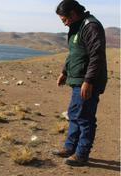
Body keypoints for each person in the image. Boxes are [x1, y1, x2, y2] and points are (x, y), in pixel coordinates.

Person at [53, 0, 108, 166]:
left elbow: (96, 56)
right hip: (77, 79)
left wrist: (88, 81)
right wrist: (64, 72)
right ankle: (70, 148)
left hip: (87, 81)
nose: (64, 24)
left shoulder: (91, 26)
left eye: (64, 20)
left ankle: (82, 154)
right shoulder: (76, 27)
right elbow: (74, 53)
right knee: (74, 113)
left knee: (84, 117)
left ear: (73, 13)